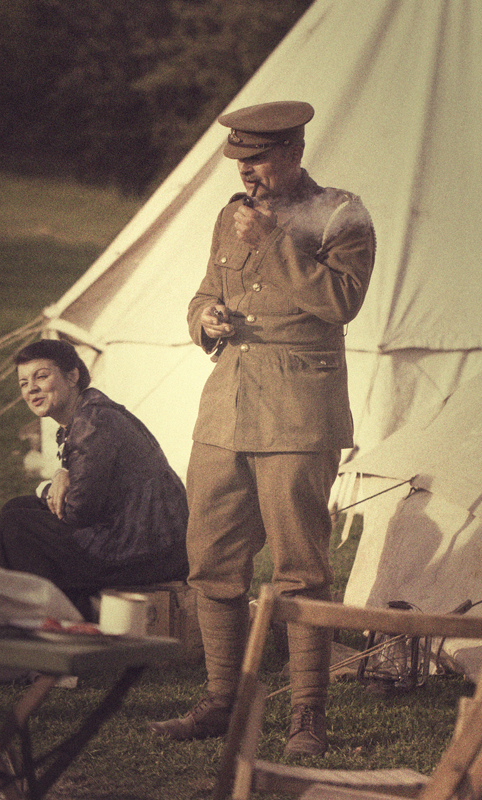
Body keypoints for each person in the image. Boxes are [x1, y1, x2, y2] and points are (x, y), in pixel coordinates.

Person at [149, 101, 375, 756]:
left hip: (299, 416)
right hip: (225, 410)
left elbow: (340, 301)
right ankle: (222, 699)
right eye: (239, 161)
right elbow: (202, 292)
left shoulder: (341, 214)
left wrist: (272, 242)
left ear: (293, 151)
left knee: (299, 568)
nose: (246, 173)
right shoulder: (230, 213)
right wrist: (205, 321)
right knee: (211, 560)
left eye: (257, 160)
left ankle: (307, 715)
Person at [0, 339, 189, 618]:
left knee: (14, 526)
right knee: (15, 510)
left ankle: (41, 618)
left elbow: (78, 511)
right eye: (23, 382)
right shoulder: (89, 412)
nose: (31, 388)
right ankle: (47, 612)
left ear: (72, 376)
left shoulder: (92, 421)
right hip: (139, 537)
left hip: (145, 550)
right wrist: (61, 475)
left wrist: (48, 486)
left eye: (41, 376)